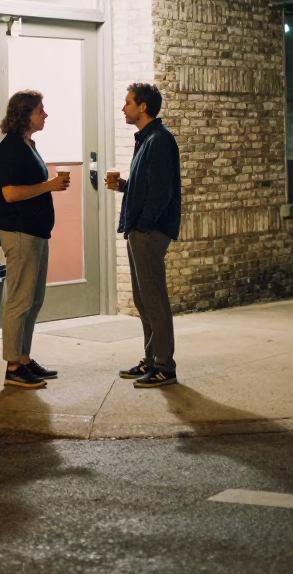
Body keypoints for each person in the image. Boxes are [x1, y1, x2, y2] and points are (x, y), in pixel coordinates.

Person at [105, 82, 181, 388]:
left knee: (153, 299)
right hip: (139, 228)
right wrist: (125, 186)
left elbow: (162, 191)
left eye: (128, 102)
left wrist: (145, 224)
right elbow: (149, 183)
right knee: (142, 298)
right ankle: (151, 359)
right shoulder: (147, 139)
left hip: (149, 231)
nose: (123, 108)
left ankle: (164, 366)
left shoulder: (159, 139)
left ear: (143, 107)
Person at [0, 89, 70, 389]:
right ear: (25, 114)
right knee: (19, 300)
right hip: (20, 234)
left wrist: (48, 186)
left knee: (34, 300)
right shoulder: (10, 149)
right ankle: (13, 366)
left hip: (35, 233)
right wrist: (49, 186)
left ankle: (23, 358)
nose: (45, 115)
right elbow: (10, 194)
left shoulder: (28, 145)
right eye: (40, 110)